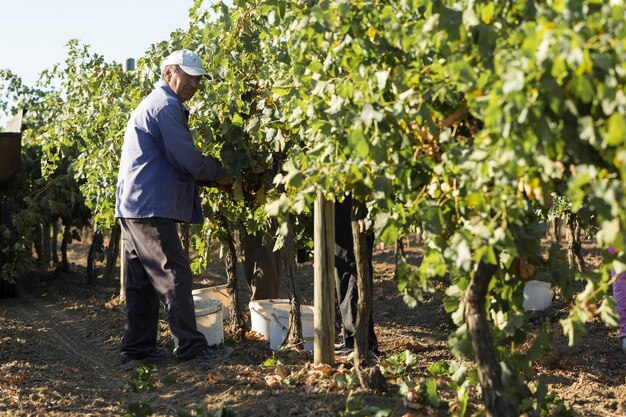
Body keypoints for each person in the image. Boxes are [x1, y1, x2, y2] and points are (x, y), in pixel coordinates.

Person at [115, 49, 232, 369]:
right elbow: (186, 158)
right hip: (150, 206)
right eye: (188, 76)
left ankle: (137, 349)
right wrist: (221, 174)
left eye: (197, 78)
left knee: (141, 279)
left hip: (133, 205)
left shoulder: (154, 103)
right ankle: (192, 347)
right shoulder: (166, 106)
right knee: (173, 273)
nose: (194, 83)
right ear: (169, 73)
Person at [334, 194, 379, 357]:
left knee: (351, 265)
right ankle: (353, 339)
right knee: (343, 266)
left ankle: (361, 342)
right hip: (342, 198)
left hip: (352, 198)